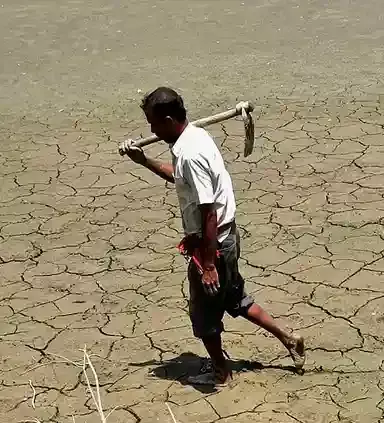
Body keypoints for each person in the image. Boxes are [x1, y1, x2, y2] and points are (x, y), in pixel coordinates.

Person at [126, 87, 304, 387]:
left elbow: (208, 210)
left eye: (153, 123)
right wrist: (144, 161)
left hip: (214, 242)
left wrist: (207, 263)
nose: (151, 130)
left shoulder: (191, 152)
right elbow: (179, 178)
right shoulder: (193, 136)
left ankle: (221, 372)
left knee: (203, 314)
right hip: (226, 236)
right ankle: (289, 338)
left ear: (168, 120)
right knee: (234, 297)